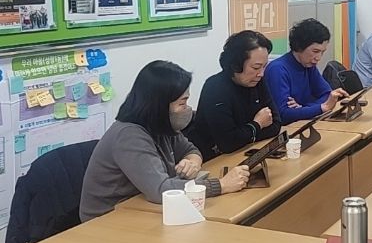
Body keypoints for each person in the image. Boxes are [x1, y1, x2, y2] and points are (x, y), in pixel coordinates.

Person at [80, 61, 250, 221]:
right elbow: (161, 190)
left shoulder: (161, 125)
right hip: (109, 218)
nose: (187, 108)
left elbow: (191, 150)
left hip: (142, 205)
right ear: (161, 104)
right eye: (182, 103)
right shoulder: (129, 136)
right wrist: (221, 185)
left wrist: (192, 162)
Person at [185, 31, 281, 161]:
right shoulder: (215, 88)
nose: (261, 74)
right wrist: (257, 124)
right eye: (256, 67)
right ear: (236, 65)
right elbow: (228, 143)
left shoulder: (258, 81)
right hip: (215, 159)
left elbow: (275, 125)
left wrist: (246, 135)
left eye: (264, 67)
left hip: (247, 152)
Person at [264, 18, 347, 123]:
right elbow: (283, 114)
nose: (318, 58)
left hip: (304, 123)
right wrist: (321, 108)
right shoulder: (277, 70)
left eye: (322, 52)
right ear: (299, 46)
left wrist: (303, 108)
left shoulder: (309, 65)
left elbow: (327, 95)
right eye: (315, 51)